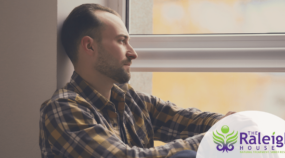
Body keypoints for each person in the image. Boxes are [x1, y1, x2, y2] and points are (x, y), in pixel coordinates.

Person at [39, 3, 235, 158]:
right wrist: (217, 138)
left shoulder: (130, 100)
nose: (133, 53)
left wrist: (235, 123)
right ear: (89, 46)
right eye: (121, 41)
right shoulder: (62, 110)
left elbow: (184, 120)